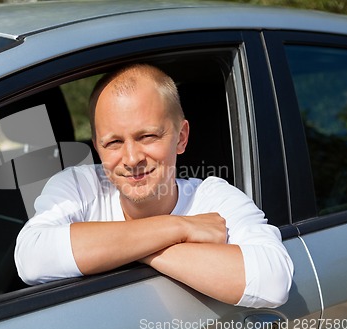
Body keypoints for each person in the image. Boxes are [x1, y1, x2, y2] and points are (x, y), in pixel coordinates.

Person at [15, 63, 293, 308]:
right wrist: (179, 228)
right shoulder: (79, 185)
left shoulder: (213, 197)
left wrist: (118, 250)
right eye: (113, 142)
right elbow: (31, 257)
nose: (132, 158)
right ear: (97, 146)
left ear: (181, 137)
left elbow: (273, 282)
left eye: (147, 136)